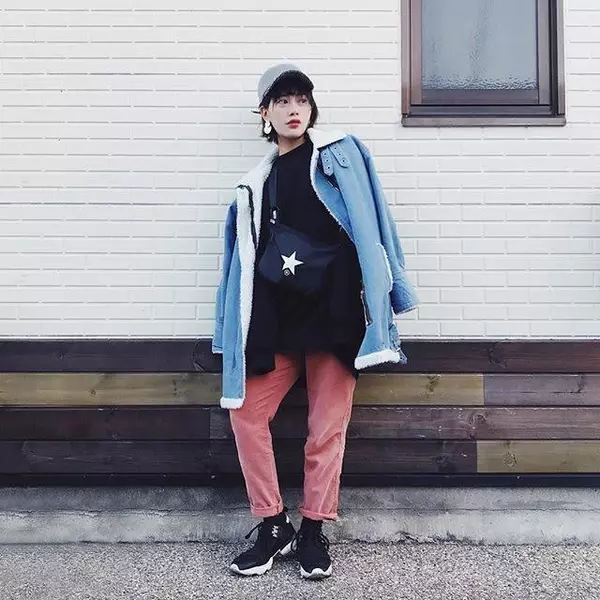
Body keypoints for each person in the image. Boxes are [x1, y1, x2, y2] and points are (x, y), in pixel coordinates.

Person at [212, 63, 419, 580]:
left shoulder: (340, 155)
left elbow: (376, 221)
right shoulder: (253, 185)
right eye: (282, 101)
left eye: (301, 99)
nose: (293, 109)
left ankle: (313, 530)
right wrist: (225, 333)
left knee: (326, 429)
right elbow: (235, 266)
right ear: (264, 113)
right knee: (246, 413)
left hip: (335, 314)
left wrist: (394, 291)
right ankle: (272, 522)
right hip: (277, 320)